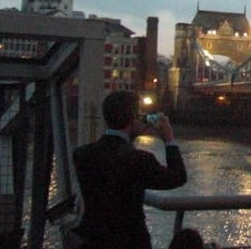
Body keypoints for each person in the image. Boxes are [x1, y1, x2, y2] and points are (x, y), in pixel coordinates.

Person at [72, 90, 188, 249]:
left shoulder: (82, 155)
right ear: (133, 120)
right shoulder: (140, 160)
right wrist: (169, 140)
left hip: (93, 241)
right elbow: (178, 177)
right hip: (131, 242)